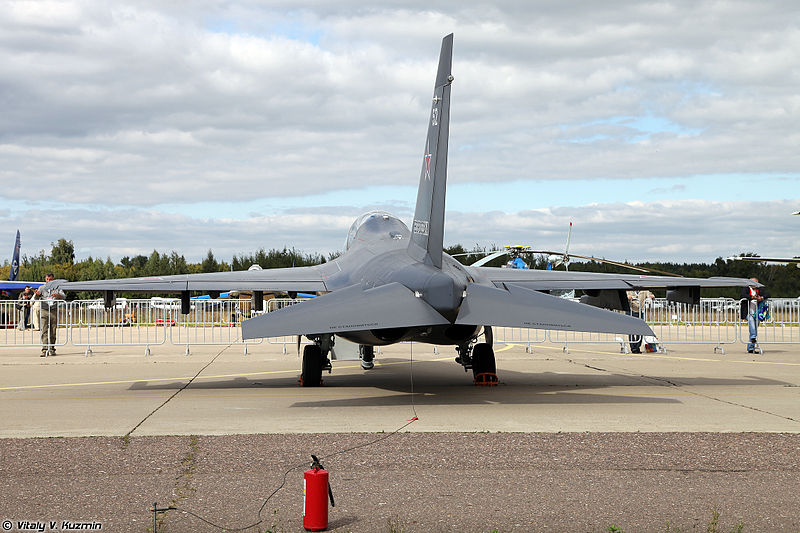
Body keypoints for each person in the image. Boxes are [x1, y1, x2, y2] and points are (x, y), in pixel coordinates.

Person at [33, 273, 65, 356]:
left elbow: (63, 296)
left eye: (50, 279)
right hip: (44, 310)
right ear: (45, 279)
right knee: (44, 330)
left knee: (53, 331)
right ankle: (44, 349)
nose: (48, 281)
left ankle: (52, 348)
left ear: (53, 280)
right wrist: (37, 295)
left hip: (53, 310)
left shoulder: (57, 288)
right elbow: (35, 298)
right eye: (47, 279)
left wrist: (58, 295)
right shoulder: (42, 288)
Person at [740, 278, 769, 353]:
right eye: (752, 282)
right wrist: (752, 297)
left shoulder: (760, 289)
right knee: (752, 326)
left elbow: (768, 294)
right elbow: (742, 295)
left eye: (756, 283)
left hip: (758, 313)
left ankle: (750, 348)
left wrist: (761, 298)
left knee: (754, 329)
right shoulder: (745, 288)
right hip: (748, 312)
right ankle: (753, 338)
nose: (754, 284)